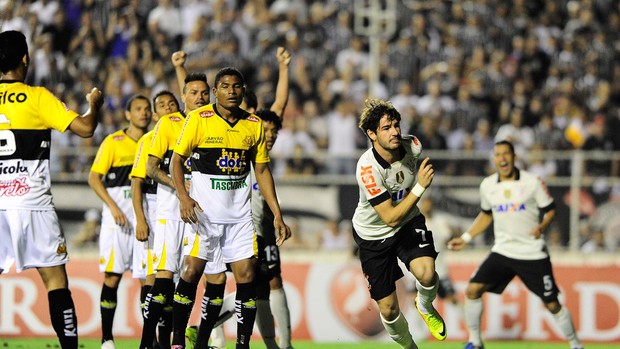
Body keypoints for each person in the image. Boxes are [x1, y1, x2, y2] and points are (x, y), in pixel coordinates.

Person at [175, 47, 295, 349]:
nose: (231, 91)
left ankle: (242, 344)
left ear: (244, 91)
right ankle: (178, 340)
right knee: (193, 272)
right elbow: (177, 161)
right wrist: (183, 197)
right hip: (205, 216)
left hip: (240, 219)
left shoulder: (253, 125)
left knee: (247, 276)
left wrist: (277, 214)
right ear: (215, 92)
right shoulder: (199, 119)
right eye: (225, 87)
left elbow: (263, 171)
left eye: (236, 86)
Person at [0, 30, 102, 349]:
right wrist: (94, 105)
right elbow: (85, 129)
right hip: (32, 202)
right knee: (56, 283)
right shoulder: (37, 96)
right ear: (26, 59)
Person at [447, 140, 584, 349]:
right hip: (503, 251)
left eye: (506, 154)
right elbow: (486, 215)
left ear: (514, 157)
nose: (502, 158)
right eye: (498, 155)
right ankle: (475, 342)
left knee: (552, 304)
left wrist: (542, 226)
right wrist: (465, 238)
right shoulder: (488, 185)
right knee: (472, 290)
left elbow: (550, 209)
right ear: (494, 159)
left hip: (532, 253)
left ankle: (576, 345)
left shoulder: (532, 182)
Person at [352, 98, 446, 349]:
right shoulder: (367, 169)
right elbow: (389, 217)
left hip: (407, 223)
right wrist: (420, 187)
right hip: (373, 235)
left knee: (427, 274)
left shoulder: (413, 146)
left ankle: (425, 305)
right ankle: (409, 347)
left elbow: (399, 216)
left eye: (396, 125)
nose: (395, 131)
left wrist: (415, 190)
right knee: (390, 309)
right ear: (371, 134)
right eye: (386, 128)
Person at [138, 72, 209, 349]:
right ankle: (148, 342)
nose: (200, 98)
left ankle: (178, 340)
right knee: (165, 274)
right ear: (184, 95)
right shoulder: (169, 123)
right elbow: (151, 168)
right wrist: (181, 190)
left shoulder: (212, 124)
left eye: (204, 93)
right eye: (194, 93)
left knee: (193, 276)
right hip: (171, 209)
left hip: (204, 213)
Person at [88, 94, 152, 349]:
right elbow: (94, 177)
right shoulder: (113, 141)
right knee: (112, 278)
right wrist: (113, 207)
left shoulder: (154, 140)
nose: (144, 113)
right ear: (128, 114)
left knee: (146, 280)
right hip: (117, 223)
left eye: (147, 109)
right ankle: (107, 338)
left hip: (143, 223)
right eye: (138, 109)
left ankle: (150, 341)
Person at [131, 90, 181, 349]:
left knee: (172, 280)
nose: (168, 107)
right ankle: (151, 340)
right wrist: (140, 219)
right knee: (152, 277)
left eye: (172, 103)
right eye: (162, 105)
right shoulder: (149, 139)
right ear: (155, 114)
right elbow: (137, 183)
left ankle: (166, 341)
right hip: (155, 210)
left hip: (180, 209)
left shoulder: (187, 131)